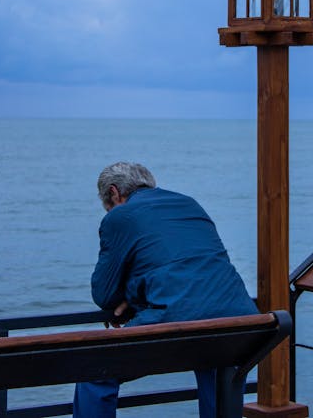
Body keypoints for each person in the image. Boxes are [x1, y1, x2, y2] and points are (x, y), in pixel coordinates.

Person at [73, 162, 258, 418]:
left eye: (107, 204)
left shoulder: (119, 216)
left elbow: (103, 294)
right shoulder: (189, 203)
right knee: (216, 364)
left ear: (114, 193)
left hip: (177, 322)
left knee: (94, 371)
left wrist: (129, 296)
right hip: (240, 321)